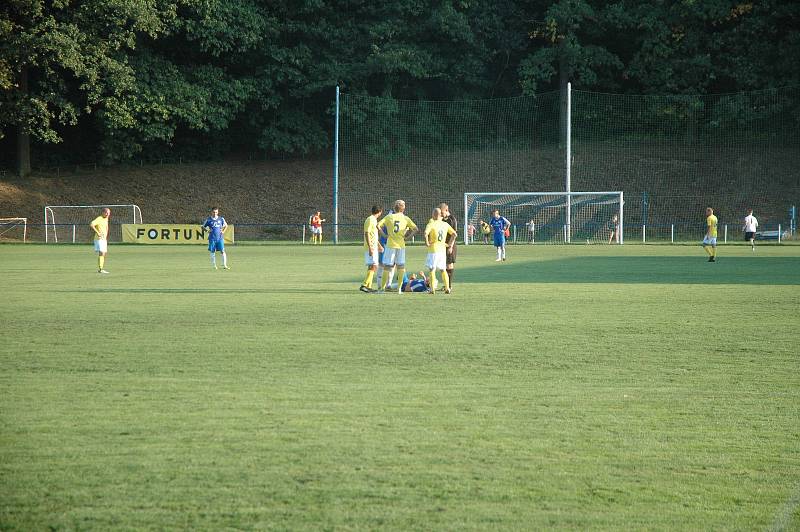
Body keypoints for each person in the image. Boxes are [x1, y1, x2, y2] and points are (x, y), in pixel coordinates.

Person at [377, 200, 418, 293]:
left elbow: (378, 225)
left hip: (390, 244)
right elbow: (416, 229)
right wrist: (407, 237)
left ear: (394, 208)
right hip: (401, 245)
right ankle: (399, 289)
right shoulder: (405, 218)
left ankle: (382, 289)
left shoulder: (389, 217)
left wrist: (384, 235)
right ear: (403, 209)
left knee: (387, 266)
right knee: (401, 266)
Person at [425, 207, 457, 294]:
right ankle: (447, 288)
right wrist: (450, 244)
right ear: (440, 215)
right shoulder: (445, 224)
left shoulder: (431, 224)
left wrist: (427, 242)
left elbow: (425, 233)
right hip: (442, 250)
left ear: (433, 215)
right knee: (443, 269)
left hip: (433, 250)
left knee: (432, 269)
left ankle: (432, 289)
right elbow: (454, 234)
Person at [360, 205, 384, 292]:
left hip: (373, 246)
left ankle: (368, 287)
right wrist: (370, 247)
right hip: (371, 247)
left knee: (372, 266)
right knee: (374, 265)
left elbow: (373, 235)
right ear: (380, 212)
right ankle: (364, 285)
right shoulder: (370, 219)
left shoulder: (373, 220)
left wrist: (379, 246)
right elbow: (367, 233)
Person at [439, 203, 458, 289]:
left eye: (441, 212)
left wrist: (450, 246)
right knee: (444, 265)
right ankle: (446, 284)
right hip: (442, 245)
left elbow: (454, 234)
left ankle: (449, 286)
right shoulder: (442, 219)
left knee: (449, 265)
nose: (440, 214)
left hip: (450, 245)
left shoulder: (452, 219)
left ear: (446, 210)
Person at [89, 207, 111, 274]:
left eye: (109, 213)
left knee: (103, 253)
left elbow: (106, 227)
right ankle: (100, 269)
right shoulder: (99, 218)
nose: (107, 214)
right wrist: (98, 232)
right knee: (101, 252)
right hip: (99, 239)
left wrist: (106, 236)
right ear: (103, 212)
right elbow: (91, 224)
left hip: (104, 239)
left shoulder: (106, 219)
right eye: (106, 213)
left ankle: (101, 268)